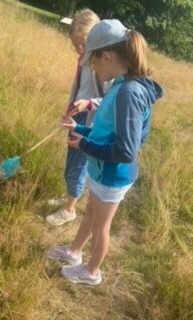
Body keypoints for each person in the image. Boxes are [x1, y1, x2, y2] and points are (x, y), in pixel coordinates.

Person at [48, 19, 164, 285]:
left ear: (108, 56)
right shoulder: (120, 85)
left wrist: (85, 145)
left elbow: (125, 151)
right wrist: (80, 129)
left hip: (113, 175)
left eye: (93, 61)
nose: (91, 66)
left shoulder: (129, 92)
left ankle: (92, 272)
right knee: (91, 210)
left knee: (102, 227)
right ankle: (75, 252)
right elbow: (106, 133)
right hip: (102, 172)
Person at [46, 9, 111, 227]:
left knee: (77, 165)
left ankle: (69, 209)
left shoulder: (102, 65)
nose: (80, 49)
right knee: (71, 162)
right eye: (76, 45)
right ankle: (70, 196)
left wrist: (89, 104)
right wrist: (70, 105)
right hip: (78, 115)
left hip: (90, 122)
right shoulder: (84, 61)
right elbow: (79, 87)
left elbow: (110, 99)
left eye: (84, 44)